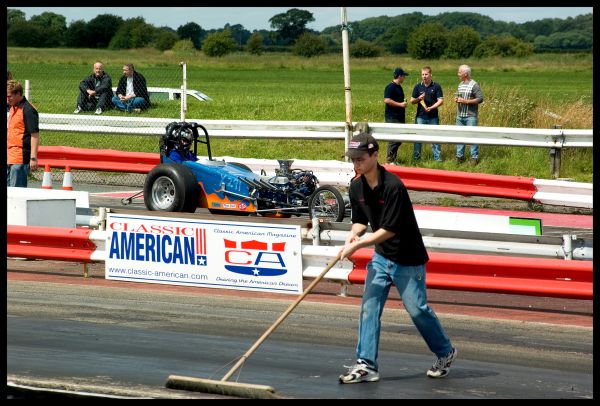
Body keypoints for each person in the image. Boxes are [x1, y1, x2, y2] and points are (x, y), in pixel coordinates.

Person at [338, 132, 456, 384]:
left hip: (408, 258)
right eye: (352, 159)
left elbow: (388, 230)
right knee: (369, 308)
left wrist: (358, 245)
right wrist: (352, 236)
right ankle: (366, 364)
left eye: (360, 158)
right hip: (381, 257)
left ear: (375, 155)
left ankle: (445, 352)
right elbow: (360, 221)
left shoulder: (393, 186)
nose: (356, 163)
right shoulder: (356, 185)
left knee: (417, 310)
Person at [7, 80, 40, 187]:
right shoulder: (13, 107)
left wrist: (33, 158)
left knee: (17, 192)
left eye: (9, 96)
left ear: (18, 94)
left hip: (20, 157)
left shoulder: (28, 110)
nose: (7, 99)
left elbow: (34, 135)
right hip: (10, 155)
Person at [410, 66, 444, 162]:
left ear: (430, 75)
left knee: (435, 138)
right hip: (420, 117)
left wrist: (432, 107)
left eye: (426, 74)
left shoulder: (436, 86)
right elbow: (412, 101)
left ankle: (437, 159)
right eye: (422, 74)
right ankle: (416, 159)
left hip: (433, 117)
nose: (424, 76)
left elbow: (441, 101)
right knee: (418, 138)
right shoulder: (418, 86)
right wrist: (418, 98)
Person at [454, 64, 484, 165]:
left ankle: (474, 158)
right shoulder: (460, 84)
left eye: (459, 72)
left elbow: (480, 99)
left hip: (470, 116)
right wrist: (456, 98)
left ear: (465, 74)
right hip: (460, 115)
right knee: (459, 137)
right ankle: (459, 157)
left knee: (472, 137)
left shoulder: (474, 85)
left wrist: (465, 101)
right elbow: (458, 95)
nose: (458, 74)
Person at [383, 67, 409, 164]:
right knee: (394, 139)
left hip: (399, 116)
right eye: (404, 76)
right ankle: (390, 159)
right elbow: (387, 100)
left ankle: (393, 158)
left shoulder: (399, 87)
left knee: (399, 138)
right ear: (399, 76)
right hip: (392, 117)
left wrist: (402, 104)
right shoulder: (390, 87)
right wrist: (400, 104)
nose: (404, 78)